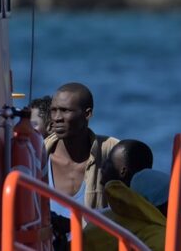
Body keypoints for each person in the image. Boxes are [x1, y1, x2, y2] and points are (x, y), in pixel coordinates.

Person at [45, 83, 119, 249]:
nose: (57, 117)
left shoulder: (111, 151)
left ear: (88, 114)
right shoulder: (38, 156)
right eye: (54, 110)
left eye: (65, 111)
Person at [83, 140, 169, 251]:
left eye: (108, 162)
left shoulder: (109, 217)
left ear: (123, 171)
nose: (102, 166)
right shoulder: (159, 232)